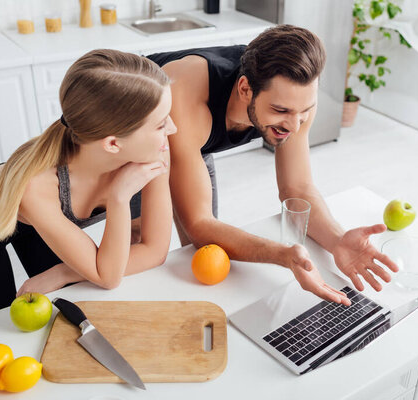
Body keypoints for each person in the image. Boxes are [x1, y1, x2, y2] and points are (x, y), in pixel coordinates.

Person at [146, 25, 398, 305]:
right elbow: (199, 224)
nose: (294, 125)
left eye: (304, 111)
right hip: (133, 140)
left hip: (194, 142)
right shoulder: (183, 90)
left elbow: (297, 187)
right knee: (140, 253)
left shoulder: (295, 102)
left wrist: (337, 240)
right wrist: (282, 254)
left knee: (207, 252)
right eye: (281, 111)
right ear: (245, 89)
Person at [0, 49, 176, 317]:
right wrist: (119, 198)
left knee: (62, 305)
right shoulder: (38, 185)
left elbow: (154, 251)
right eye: (160, 124)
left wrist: (63, 273)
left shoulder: (156, 150)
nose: (172, 129)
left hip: (45, 216)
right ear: (113, 143)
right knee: (3, 317)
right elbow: (109, 275)